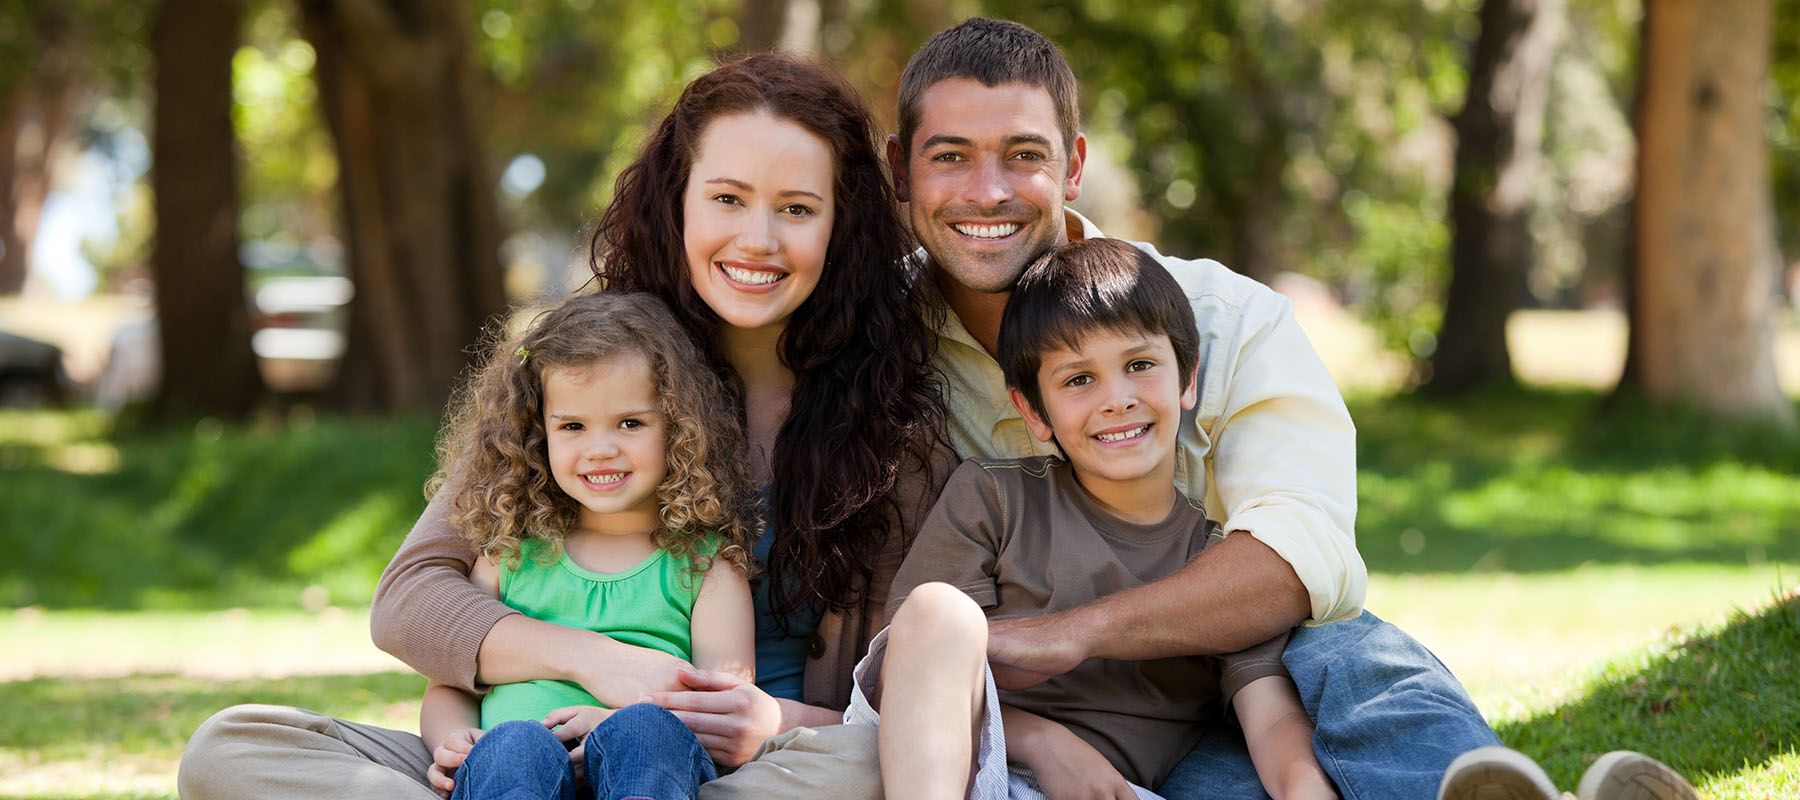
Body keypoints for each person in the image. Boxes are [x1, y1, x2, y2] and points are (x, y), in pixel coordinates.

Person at [178, 52, 953, 800]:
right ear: (677, 200)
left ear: (840, 227)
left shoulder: (890, 432)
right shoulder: (591, 367)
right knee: (231, 750)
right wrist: (598, 664)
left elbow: (890, 703)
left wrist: (769, 721)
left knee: (864, 765)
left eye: (796, 208)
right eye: (727, 198)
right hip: (518, 752)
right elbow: (411, 597)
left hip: (735, 769)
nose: (758, 237)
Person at [885, 17, 1496, 799]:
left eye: (1023, 156)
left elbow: (1295, 561)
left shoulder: (1224, 318)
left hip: (1251, 680)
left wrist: (1071, 634)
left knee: (1348, 651)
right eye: (951, 157)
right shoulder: (877, 346)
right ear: (901, 170)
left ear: (1073, 165)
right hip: (1066, 728)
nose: (988, 191)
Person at [859, 239, 1337, 800]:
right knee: (938, 610)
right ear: (1034, 411)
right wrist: (1040, 740)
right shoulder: (994, 497)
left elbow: (1273, 722)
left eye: (1139, 365)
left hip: (1118, 791)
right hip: (961, 769)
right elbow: (903, 669)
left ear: (1187, 379)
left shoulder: (1215, 569)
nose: (1117, 399)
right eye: (1078, 380)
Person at [415, 292, 758, 799]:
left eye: (630, 423)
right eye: (573, 426)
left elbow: (722, 705)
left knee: (644, 732)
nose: (600, 448)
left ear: (681, 428)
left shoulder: (705, 566)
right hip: (515, 769)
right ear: (539, 434)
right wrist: (452, 740)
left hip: (644, 767)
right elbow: (449, 685)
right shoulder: (509, 553)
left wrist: (611, 725)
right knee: (514, 746)